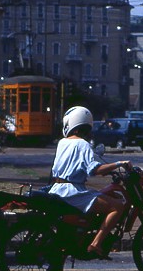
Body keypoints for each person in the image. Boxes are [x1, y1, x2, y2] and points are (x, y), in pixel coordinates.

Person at [49, 106, 131, 259]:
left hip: (56, 189)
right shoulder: (83, 144)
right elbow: (95, 170)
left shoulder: (62, 142)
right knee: (117, 206)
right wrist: (119, 164)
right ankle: (96, 244)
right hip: (72, 192)